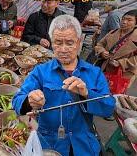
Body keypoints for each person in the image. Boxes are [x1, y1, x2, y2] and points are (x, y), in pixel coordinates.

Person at [13, 15, 115, 156]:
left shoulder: (94, 73)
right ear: (51, 42)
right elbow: (17, 101)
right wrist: (28, 101)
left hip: (83, 145)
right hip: (49, 145)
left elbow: (109, 107)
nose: (63, 49)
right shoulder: (40, 72)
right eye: (58, 42)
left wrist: (86, 93)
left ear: (79, 43)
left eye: (69, 42)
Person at [95, 9, 137, 88]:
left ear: (136, 24)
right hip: (105, 68)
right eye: (123, 19)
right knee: (98, 91)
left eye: (129, 20)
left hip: (124, 72)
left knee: (115, 95)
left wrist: (121, 63)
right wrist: (102, 52)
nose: (124, 22)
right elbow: (100, 44)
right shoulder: (113, 32)